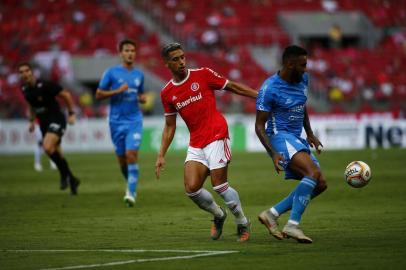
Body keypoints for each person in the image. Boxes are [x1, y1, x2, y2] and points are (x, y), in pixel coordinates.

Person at [155, 43, 257, 242]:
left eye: (182, 57)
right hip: (196, 142)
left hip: (216, 132)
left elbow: (233, 86)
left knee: (219, 186)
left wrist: (258, 95)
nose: (181, 62)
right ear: (167, 63)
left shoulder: (202, 74)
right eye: (175, 59)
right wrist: (161, 154)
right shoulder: (167, 92)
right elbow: (169, 126)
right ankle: (218, 215)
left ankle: (242, 222)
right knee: (191, 189)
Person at [255, 45, 328, 244]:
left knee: (320, 184)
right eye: (302, 65)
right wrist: (273, 154)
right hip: (279, 137)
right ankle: (292, 225)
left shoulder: (303, 79)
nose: (306, 69)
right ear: (289, 64)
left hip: (296, 138)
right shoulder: (269, 88)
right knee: (312, 174)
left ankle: (272, 214)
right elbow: (259, 126)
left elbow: (301, 105)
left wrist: (310, 133)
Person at [95, 39, 146, 207]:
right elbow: (98, 94)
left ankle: (130, 192)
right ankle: (131, 183)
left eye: (132, 50)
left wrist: (142, 98)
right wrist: (117, 91)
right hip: (116, 122)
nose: (130, 53)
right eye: (127, 50)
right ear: (121, 53)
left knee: (131, 155)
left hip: (134, 121)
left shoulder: (139, 75)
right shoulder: (111, 73)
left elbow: (140, 93)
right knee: (122, 160)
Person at [18, 62, 80, 195]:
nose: (24, 74)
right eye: (21, 72)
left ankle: (64, 176)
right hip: (44, 123)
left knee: (46, 147)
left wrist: (71, 113)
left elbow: (67, 95)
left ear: (31, 72)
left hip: (57, 119)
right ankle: (73, 180)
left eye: (26, 71)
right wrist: (31, 121)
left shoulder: (45, 85)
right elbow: (31, 105)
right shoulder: (25, 90)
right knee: (57, 152)